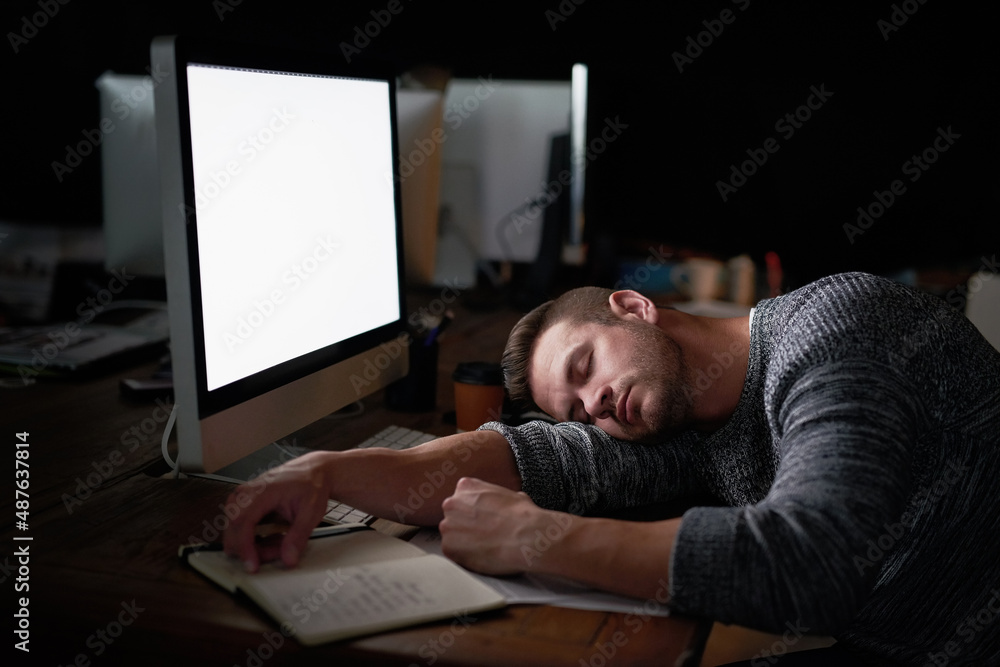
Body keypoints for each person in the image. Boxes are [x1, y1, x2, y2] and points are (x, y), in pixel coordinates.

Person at [223, 271, 1000, 665]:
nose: (597, 404)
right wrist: (325, 469)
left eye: (588, 364)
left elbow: (810, 562)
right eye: (578, 405)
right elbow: (524, 456)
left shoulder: (836, 335)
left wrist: (540, 539)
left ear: (633, 307)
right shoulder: (690, 413)